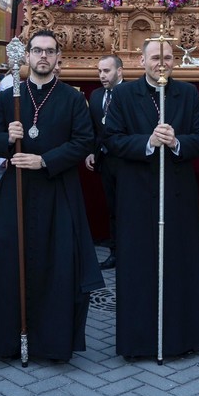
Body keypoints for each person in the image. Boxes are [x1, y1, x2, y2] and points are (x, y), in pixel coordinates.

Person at [0, 30, 102, 362]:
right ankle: (7, 341)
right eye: (37, 51)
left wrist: (44, 160)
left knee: (58, 265)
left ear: (58, 57)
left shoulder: (73, 98)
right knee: (9, 262)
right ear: (28, 56)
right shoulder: (9, 99)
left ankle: (52, 343)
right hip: (15, 191)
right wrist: (6, 137)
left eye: (49, 51)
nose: (43, 57)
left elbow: (82, 142)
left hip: (56, 191)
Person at [104, 40, 199, 358]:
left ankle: (183, 337)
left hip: (178, 194)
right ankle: (138, 341)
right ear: (142, 60)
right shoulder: (124, 94)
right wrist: (148, 142)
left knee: (181, 265)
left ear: (175, 61)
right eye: (155, 57)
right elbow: (111, 138)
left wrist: (177, 142)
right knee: (139, 266)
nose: (161, 63)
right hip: (137, 194)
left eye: (167, 57)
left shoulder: (187, 93)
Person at [85, 54, 124, 270]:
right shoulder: (96, 95)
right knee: (112, 207)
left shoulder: (130, 93)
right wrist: (92, 151)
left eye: (106, 71)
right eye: (99, 71)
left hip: (126, 161)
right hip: (105, 160)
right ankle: (115, 252)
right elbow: (93, 128)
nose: (102, 76)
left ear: (119, 71)